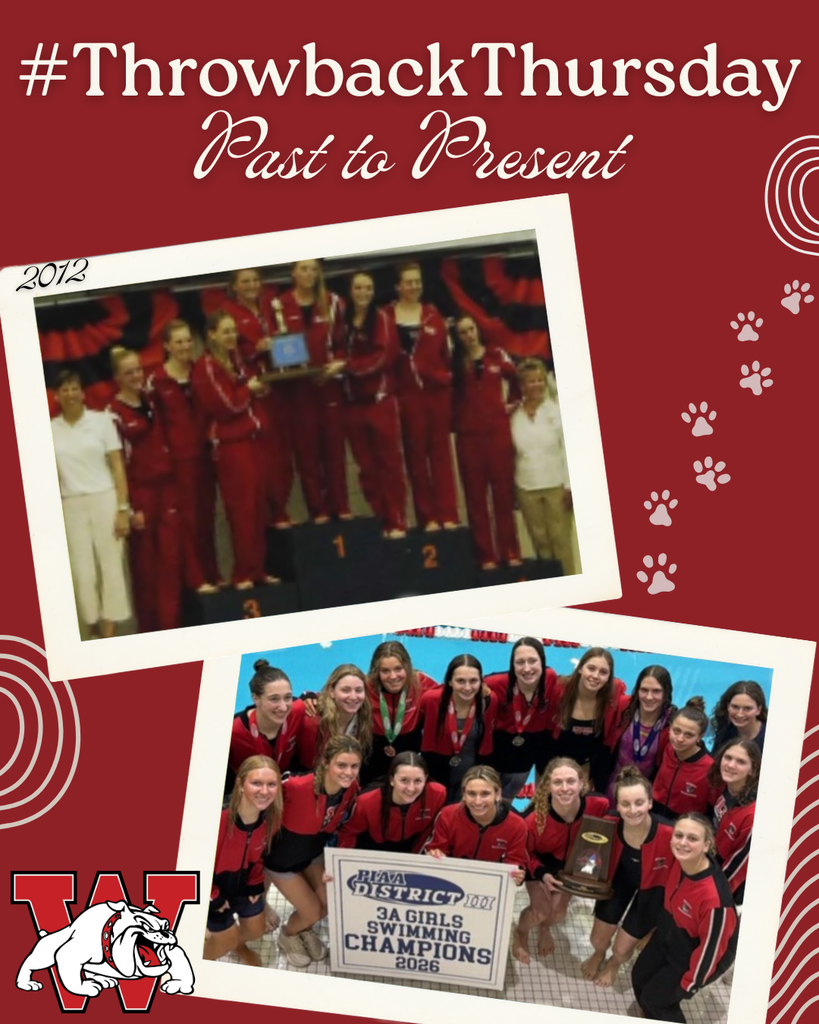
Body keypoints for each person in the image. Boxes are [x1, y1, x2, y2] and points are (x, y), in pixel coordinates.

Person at [191, 310, 278, 589]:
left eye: (233, 331)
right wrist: (250, 390)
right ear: (212, 335)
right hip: (231, 446)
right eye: (225, 331)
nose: (231, 336)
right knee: (242, 511)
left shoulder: (235, 359)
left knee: (258, 508)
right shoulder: (206, 367)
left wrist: (258, 388)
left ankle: (257, 569)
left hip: (252, 439)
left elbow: (245, 391)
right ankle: (242, 574)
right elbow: (225, 406)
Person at [631, 813, 737, 1022]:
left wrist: (689, 984)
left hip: (700, 954)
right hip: (669, 934)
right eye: (678, 835)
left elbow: (710, 952)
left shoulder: (715, 900)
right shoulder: (681, 862)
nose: (682, 843)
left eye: (692, 838)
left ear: (706, 845)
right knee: (639, 977)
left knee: (656, 1000)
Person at [265, 736, 362, 966]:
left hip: (312, 855)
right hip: (281, 861)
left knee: (329, 904)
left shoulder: (351, 789)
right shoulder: (295, 787)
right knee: (312, 912)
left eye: (354, 766)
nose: (348, 772)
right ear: (326, 763)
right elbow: (260, 811)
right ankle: (288, 934)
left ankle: (303, 930)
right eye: (341, 765)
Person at [50, 368, 131, 638]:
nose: (70, 394)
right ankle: (91, 623)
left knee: (111, 565)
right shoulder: (50, 430)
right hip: (71, 504)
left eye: (75, 388)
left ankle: (109, 629)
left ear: (83, 393)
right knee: (82, 572)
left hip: (105, 499)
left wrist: (122, 508)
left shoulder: (101, 421)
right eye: (65, 389)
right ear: (56, 396)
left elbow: (117, 466)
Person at [108, 347, 182, 633]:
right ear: (117, 378)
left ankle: (171, 627)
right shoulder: (113, 414)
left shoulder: (152, 400)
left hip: (167, 490)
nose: (136, 376)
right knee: (146, 571)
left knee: (170, 563)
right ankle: (151, 632)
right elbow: (118, 466)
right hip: (141, 496)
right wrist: (129, 507)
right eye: (128, 372)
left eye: (138, 370)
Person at [580, 766, 674, 987]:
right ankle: (598, 954)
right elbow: (588, 860)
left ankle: (613, 964)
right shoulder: (608, 824)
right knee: (597, 940)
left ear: (650, 802)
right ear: (617, 805)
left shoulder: (671, 834)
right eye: (625, 804)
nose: (633, 810)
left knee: (622, 950)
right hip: (620, 883)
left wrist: (660, 921)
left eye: (639, 803)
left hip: (653, 891)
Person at [383, 261, 459, 531]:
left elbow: (446, 355)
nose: (414, 286)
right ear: (398, 286)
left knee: (441, 455)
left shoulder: (433, 315)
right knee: (415, 457)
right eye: (409, 282)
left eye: (417, 281)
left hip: (435, 395)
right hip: (407, 395)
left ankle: (448, 514)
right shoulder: (386, 317)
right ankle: (427, 517)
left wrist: (442, 378)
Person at [148, 318, 220, 594]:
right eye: (178, 342)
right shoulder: (157, 380)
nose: (185, 346)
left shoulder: (202, 370)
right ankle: (196, 578)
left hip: (206, 454)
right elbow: (155, 426)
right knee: (188, 520)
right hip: (179, 460)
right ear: (167, 346)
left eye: (188, 340)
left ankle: (212, 573)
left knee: (207, 517)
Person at [275, 259, 349, 523]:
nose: (309, 274)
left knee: (334, 451)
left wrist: (338, 364)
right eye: (304, 269)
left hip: (328, 386)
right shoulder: (278, 305)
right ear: (293, 272)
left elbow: (343, 343)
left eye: (314, 269)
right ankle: (318, 510)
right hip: (298, 389)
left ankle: (341, 507)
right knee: (307, 454)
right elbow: (276, 347)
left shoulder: (333, 302)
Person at [515, 757, 609, 962]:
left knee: (557, 914)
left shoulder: (599, 805)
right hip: (539, 864)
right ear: (548, 787)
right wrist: (542, 874)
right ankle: (520, 932)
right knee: (539, 911)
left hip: (570, 866)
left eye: (570, 781)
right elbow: (524, 853)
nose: (565, 788)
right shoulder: (534, 819)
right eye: (557, 782)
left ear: (582, 783)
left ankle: (545, 928)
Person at [221, 268, 293, 529]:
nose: (251, 285)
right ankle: (272, 514)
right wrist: (255, 351)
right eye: (245, 281)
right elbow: (229, 354)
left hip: (281, 388)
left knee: (283, 454)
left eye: (255, 280)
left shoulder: (272, 308)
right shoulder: (228, 314)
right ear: (234, 286)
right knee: (265, 456)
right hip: (255, 392)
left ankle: (282, 508)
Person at [337, 270, 407, 537]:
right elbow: (334, 350)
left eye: (368, 288)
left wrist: (348, 366)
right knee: (366, 466)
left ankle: (396, 520)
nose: (363, 293)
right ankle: (380, 518)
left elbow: (383, 358)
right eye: (358, 288)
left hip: (380, 400)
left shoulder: (382, 319)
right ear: (350, 291)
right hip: (353, 403)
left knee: (389, 463)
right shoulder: (342, 321)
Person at [451, 314, 521, 569]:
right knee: (475, 499)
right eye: (462, 332)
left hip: (497, 434)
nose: (468, 335)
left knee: (503, 496)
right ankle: (486, 555)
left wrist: (509, 405)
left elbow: (518, 380)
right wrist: (457, 421)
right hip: (469, 439)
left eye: (471, 329)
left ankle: (510, 551)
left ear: (478, 330)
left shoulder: (496, 355)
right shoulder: (455, 363)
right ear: (457, 337)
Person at [205, 755, 282, 966]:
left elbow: (258, 858)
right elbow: (194, 866)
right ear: (240, 785)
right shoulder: (217, 819)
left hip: (241, 885)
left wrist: (254, 885)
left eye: (271, 784)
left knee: (256, 930)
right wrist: (214, 897)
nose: (264, 791)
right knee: (225, 942)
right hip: (210, 889)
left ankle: (238, 945)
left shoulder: (271, 820)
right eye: (256, 783)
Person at [509, 357, 576, 574]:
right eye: (531, 381)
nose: (536, 385)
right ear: (522, 385)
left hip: (556, 484)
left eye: (540, 380)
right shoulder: (514, 415)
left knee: (560, 541)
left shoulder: (556, 411)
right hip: (526, 486)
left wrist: (570, 485)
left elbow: (567, 448)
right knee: (540, 542)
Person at [545, 647, 628, 794]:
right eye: (591, 668)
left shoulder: (612, 698)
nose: (595, 676)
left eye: (603, 672)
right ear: (580, 668)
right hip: (552, 763)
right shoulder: (559, 690)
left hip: (586, 767)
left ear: (609, 677)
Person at [483, 637, 557, 799]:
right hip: (494, 753)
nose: (527, 668)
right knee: (484, 801)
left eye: (533, 661)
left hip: (524, 759)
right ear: (512, 665)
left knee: (506, 803)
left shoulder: (550, 678)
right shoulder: (495, 683)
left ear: (542, 662)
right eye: (520, 662)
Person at [425, 765, 527, 882]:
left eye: (485, 794)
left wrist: (517, 875)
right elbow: (437, 849)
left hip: (491, 883)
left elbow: (515, 862)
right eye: (472, 794)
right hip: (451, 879)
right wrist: (435, 855)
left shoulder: (517, 825)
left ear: (498, 794)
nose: (478, 801)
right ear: (464, 794)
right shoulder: (447, 815)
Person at [419, 654, 497, 800]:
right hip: (435, 771)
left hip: (470, 776)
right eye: (460, 681)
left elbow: (488, 741)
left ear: (481, 681)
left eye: (473, 681)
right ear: (449, 681)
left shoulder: (488, 701)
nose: (467, 687)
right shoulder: (431, 700)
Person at [364, 640, 439, 785]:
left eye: (398, 669)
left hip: (408, 757)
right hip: (372, 757)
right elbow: (334, 694)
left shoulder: (421, 683)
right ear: (376, 672)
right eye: (385, 671)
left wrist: (483, 687)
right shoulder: (365, 686)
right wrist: (314, 699)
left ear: (407, 667)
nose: (393, 676)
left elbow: (449, 695)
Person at [338, 752, 446, 851]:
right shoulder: (367, 801)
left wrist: (422, 853)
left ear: (425, 779)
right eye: (404, 780)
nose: (411, 788)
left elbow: (431, 830)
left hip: (412, 848)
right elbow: (348, 833)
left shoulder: (437, 794)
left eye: (418, 781)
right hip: (373, 848)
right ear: (392, 780)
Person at [228, 659, 306, 792]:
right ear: (256, 699)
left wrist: (310, 697)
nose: (283, 707)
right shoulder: (233, 732)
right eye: (274, 699)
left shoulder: (297, 711)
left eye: (287, 697)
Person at [607, 665, 675, 808]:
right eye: (644, 690)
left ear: (666, 692)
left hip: (643, 796)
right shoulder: (624, 707)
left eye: (656, 691)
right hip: (612, 787)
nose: (649, 697)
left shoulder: (671, 723)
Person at [707, 739, 759, 901]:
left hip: (730, 886)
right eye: (728, 758)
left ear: (753, 770)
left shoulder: (753, 815)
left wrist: (714, 893)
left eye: (741, 762)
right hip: (712, 864)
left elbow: (738, 867)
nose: (730, 765)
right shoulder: (724, 787)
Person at [295, 664, 373, 771]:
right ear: (331, 691)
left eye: (359, 690)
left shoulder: (365, 717)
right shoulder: (313, 719)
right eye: (346, 690)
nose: (353, 697)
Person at [652, 699, 714, 818]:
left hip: (684, 822)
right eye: (676, 731)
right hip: (654, 812)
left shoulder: (710, 767)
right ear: (670, 728)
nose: (680, 739)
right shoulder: (668, 748)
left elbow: (712, 807)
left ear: (700, 736)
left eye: (688, 735)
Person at [710, 681, 768, 754]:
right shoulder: (725, 729)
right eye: (735, 707)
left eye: (747, 708)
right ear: (728, 706)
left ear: (758, 710)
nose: (740, 714)